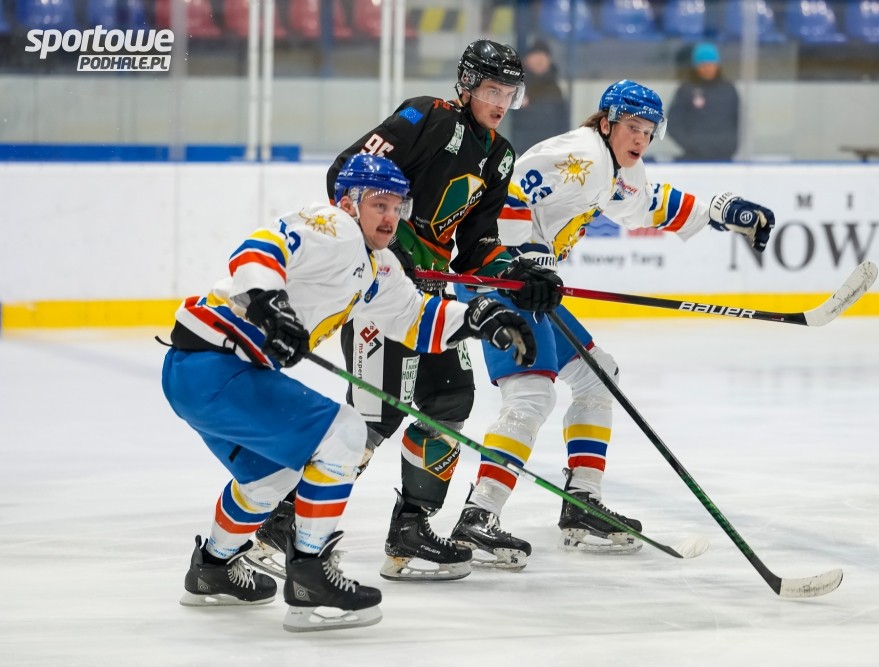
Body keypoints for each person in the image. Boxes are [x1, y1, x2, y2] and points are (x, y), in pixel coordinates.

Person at [162, 154, 537, 631]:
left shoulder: (379, 265)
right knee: (344, 434)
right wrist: (268, 303)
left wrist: (479, 317)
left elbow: (415, 319)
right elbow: (258, 249)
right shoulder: (334, 227)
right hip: (217, 366)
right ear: (348, 202)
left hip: (195, 374)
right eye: (380, 204)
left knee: (270, 480)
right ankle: (310, 578)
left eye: (398, 206)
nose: (390, 217)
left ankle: (213, 568)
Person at [248, 40, 563, 583]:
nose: (500, 103)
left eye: (509, 94)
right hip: (382, 291)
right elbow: (347, 173)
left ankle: (411, 530)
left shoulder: (501, 156)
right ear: (466, 86)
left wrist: (518, 274)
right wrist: (391, 252)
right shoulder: (428, 117)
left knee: (450, 399)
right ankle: (283, 525)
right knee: (376, 417)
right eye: (492, 91)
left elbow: (477, 245)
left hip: (428, 296)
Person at [448, 80, 775, 570]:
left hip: (527, 284)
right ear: (606, 123)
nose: (641, 137)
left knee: (598, 374)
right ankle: (479, 515)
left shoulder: (614, 165)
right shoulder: (580, 155)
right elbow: (510, 192)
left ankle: (583, 503)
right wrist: (526, 258)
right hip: (500, 279)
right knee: (531, 394)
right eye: (633, 126)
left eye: (649, 130)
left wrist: (718, 211)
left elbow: (646, 204)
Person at [666, 42, 740, 162]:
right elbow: (673, 123)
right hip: (693, 156)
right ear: (696, 66)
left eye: (711, 63)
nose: (707, 68)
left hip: (724, 155)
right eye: (703, 64)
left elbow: (739, 120)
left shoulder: (729, 89)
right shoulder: (686, 90)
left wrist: (731, 144)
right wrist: (690, 144)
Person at [510, 39, 570, 155]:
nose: (540, 59)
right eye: (536, 55)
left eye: (544, 56)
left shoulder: (556, 89)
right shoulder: (514, 86)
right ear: (526, 59)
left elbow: (563, 122)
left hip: (550, 151)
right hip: (520, 152)